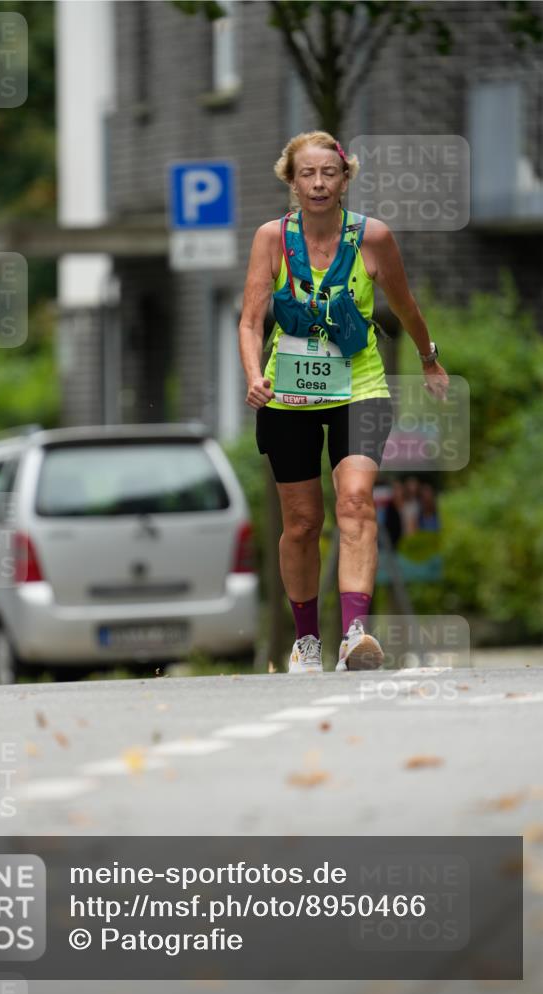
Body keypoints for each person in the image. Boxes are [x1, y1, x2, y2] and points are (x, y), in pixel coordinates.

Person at [238, 130, 449, 673]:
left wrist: (429, 357)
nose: (318, 183)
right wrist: (251, 375)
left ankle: (355, 634)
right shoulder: (271, 239)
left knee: (355, 500)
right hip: (287, 393)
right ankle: (306, 640)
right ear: (291, 181)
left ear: (345, 178)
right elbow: (250, 321)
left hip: (360, 387)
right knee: (303, 522)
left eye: (328, 173)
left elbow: (406, 307)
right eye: (306, 174)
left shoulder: (372, 238)